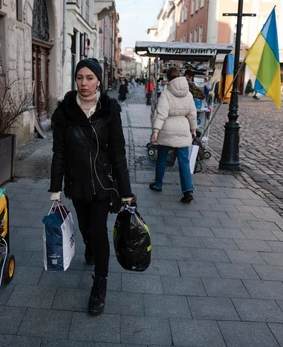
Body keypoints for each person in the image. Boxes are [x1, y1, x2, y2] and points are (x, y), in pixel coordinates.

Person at [49, 58, 134, 315]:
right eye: (79, 78)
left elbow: (118, 153)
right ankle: (89, 248)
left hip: (103, 184)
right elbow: (59, 153)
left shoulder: (110, 110)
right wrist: (55, 189)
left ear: (98, 80)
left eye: (89, 78)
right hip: (77, 183)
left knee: (98, 231)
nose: (84, 83)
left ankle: (100, 283)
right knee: (85, 228)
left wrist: (126, 191)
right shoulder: (64, 113)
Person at [149, 67, 197, 203]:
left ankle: (158, 184)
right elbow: (192, 114)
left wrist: (155, 131)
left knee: (162, 159)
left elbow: (161, 114)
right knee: (184, 162)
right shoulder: (188, 94)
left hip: (167, 130)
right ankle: (188, 190)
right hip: (183, 129)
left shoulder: (166, 94)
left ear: (168, 79)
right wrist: (193, 129)